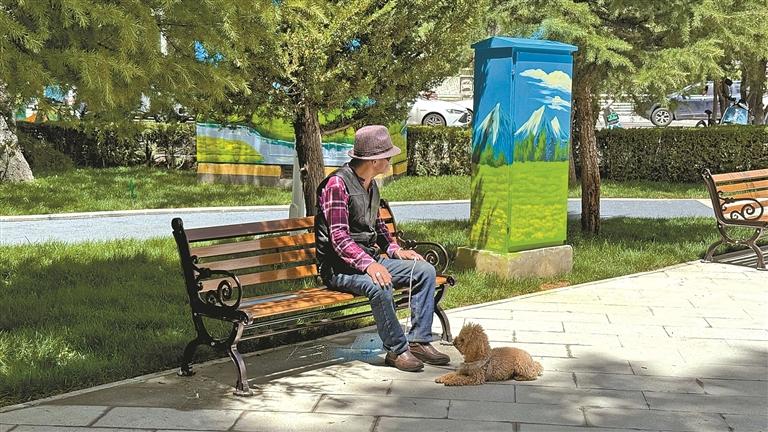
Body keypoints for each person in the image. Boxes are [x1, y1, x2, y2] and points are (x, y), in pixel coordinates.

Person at [314, 125, 450, 372]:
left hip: (368, 261)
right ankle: (397, 350)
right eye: (387, 156)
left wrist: (395, 250)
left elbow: (377, 225)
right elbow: (339, 238)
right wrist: (370, 265)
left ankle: (419, 341)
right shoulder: (337, 184)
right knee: (380, 284)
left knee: (424, 271)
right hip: (339, 268)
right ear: (374, 160)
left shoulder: (371, 185)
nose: (390, 160)